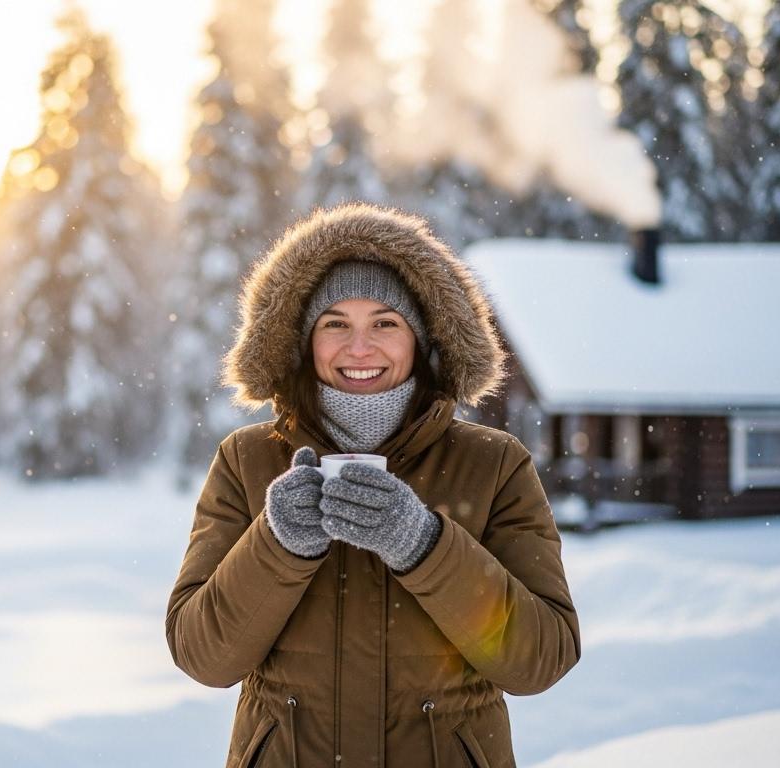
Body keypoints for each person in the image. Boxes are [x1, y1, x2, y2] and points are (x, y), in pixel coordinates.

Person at [166, 203, 580, 767]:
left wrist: (423, 545)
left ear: (423, 340)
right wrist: (277, 544)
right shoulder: (248, 460)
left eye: (385, 323)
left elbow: (540, 659)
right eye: (335, 323)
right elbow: (203, 656)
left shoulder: (494, 465)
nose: (359, 349)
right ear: (303, 341)